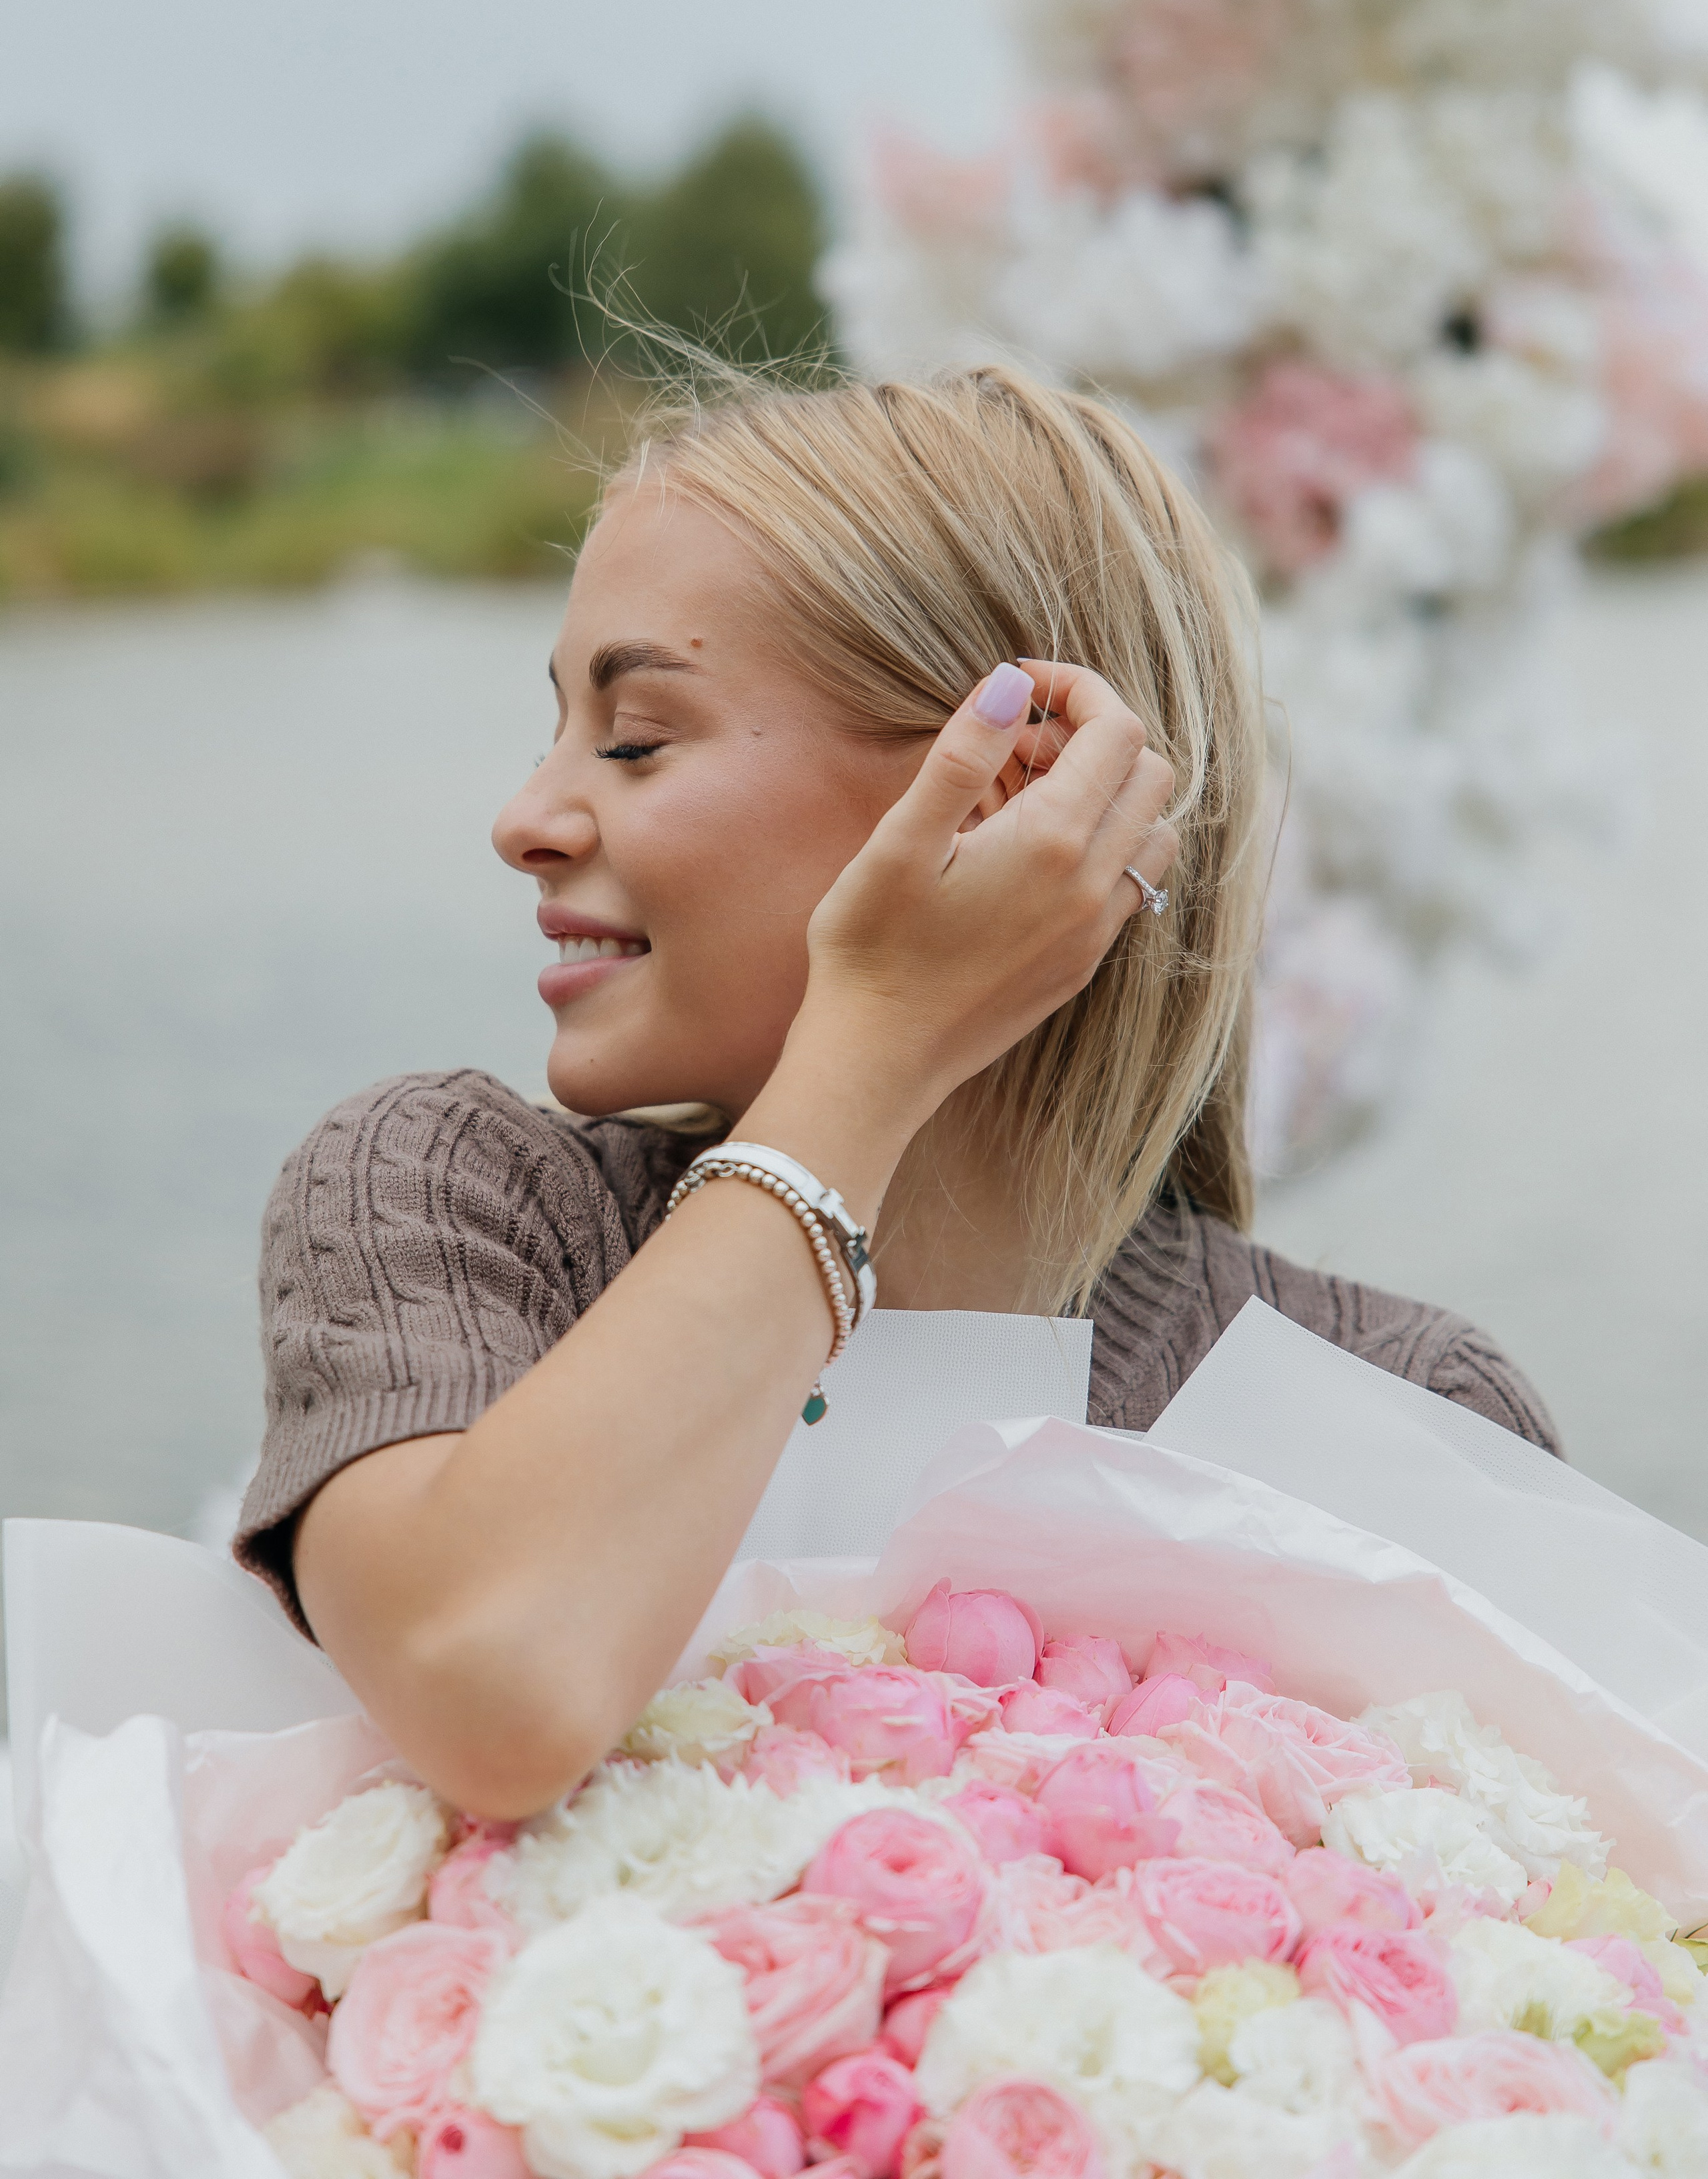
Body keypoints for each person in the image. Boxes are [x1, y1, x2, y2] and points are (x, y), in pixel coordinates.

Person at [234, 365, 1559, 1818]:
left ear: (1007, 787)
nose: (526, 820)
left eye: (632, 740)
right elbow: (487, 1688)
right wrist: (874, 1047)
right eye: (558, 733)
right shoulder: (453, 1203)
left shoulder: (1404, 1408)